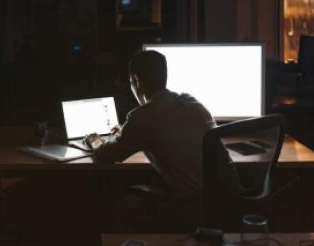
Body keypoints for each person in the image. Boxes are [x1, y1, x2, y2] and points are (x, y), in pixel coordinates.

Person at [84, 50, 216, 228]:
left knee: (115, 209)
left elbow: (105, 156)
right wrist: (124, 130)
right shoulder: (193, 104)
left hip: (190, 211)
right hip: (222, 203)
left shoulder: (142, 118)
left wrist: (94, 140)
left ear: (136, 81)